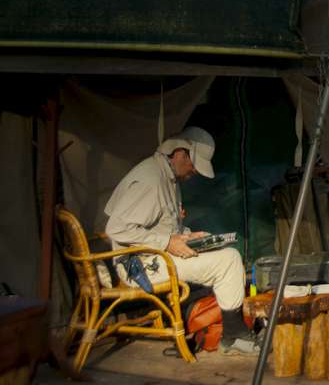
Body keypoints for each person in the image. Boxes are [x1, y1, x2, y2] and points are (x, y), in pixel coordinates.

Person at [104, 126, 258, 355]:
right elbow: (116, 229)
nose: (195, 171)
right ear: (180, 153)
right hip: (140, 268)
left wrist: (186, 236)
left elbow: (161, 225)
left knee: (223, 251)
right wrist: (167, 242)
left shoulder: (167, 177)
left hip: (155, 257)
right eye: (194, 164)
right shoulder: (151, 180)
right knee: (229, 260)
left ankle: (224, 331)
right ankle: (233, 335)